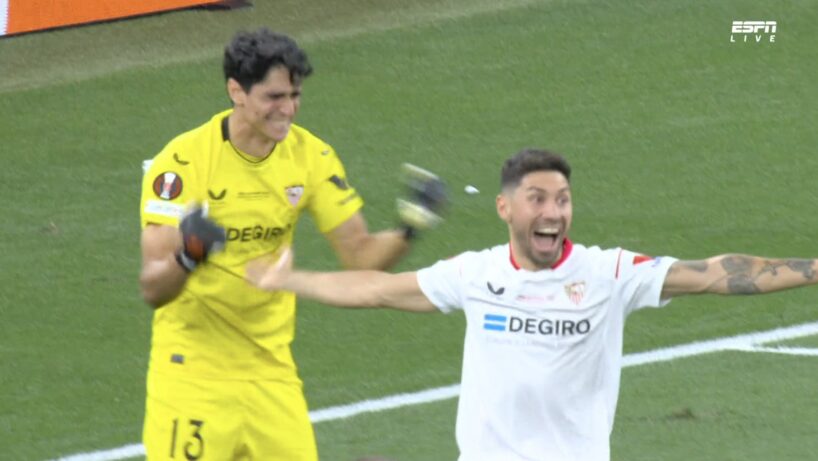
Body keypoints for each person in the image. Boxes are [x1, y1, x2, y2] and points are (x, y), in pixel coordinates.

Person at [246, 148, 818, 461]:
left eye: (563, 200)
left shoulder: (608, 272)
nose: (553, 212)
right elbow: (372, 289)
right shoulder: (475, 274)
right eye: (538, 198)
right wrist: (290, 281)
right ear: (504, 208)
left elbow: (719, 274)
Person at [138, 28, 445, 460]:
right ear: (236, 91)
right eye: (274, 97)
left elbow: (359, 256)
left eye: (295, 96)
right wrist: (190, 255)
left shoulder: (311, 157)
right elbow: (153, 287)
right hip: (193, 375)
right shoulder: (183, 163)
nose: (288, 110)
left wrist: (411, 226)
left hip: (272, 373)